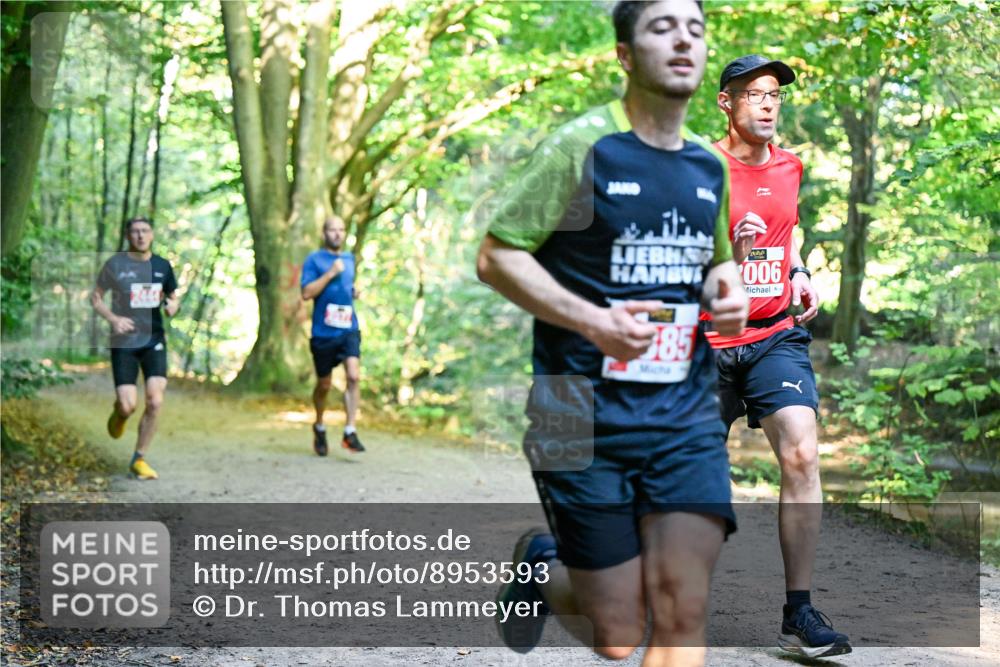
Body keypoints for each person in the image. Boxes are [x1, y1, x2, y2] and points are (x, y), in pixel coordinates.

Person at [476, 2, 748, 663]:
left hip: (681, 414)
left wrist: (727, 287)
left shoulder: (707, 169)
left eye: (695, 27)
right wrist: (594, 321)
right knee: (619, 634)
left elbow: (714, 267)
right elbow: (497, 255)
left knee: (682, 605)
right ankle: (545, 567)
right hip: (577, 413)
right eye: (661, 27)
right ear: (624, 55)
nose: (684, 38)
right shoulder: (581, 148)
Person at [706, 54, 851, 658]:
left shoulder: (791, 167)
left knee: (801, 454)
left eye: (775, 95)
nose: (768, 104)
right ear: (726, 103)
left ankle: (799, 611)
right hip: (704, 342)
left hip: (773, 335)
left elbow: (785, 234)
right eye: (754, 94)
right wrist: (728, 260)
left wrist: (799, 272)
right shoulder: (700, 169)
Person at [91, 217, 179, 480]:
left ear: (152, 234)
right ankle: (119, 414)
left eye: (145, 231)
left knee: (155, 400)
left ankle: (139, 458)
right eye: (135, 232)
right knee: (128, 405)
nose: (140, 236)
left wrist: (174, 306)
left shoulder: (162, 265)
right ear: (128, 236)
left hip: (153, 340)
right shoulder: (115, 265)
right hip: (124, 342)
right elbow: (95, 298)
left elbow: (173, 297)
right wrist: (114, 319)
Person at [300, 217, 365, 456]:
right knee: (324, 384)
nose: (337, 234)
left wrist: (353, 292)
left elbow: (344, 289)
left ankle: (350, 431)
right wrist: (329, 274)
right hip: (323, 333)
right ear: (324, 232)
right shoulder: (314, 260)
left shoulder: (349, 259)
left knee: (354, 376)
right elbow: (307, 293)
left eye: (341, 229)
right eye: (332, 230)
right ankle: (319, 425)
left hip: (348, 328)